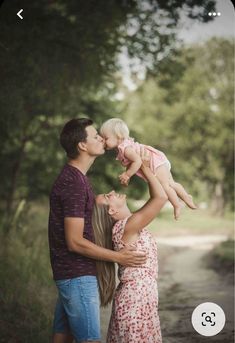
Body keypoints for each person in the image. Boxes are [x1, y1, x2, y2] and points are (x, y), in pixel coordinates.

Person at [48, 118, 147, 343]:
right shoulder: (73, 182)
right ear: (82, 145)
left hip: (70, 274)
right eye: (95, 136)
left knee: (62, 337)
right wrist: (119, 257)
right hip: (77, 275)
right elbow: (74, 241)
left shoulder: (77, 179)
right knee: (89, 339)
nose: (102, 138)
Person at [92, 159, 168, 343]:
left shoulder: (129, 224)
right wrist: (141, 165)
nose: (111, 191)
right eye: (107, 196)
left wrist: (142, 167)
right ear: (111, 211)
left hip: (139, 297)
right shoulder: (126, 227)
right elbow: (161, 197)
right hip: (136, 300)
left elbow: (155, 197)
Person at [100, 118, 197, 220]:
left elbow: (137, 161)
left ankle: (177, 205)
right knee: (171, 183)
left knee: (166, 185)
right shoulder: (123, 149)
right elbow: (131, 163)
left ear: (118, 137)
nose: (104, 141)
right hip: (157, 160)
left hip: (154, 162)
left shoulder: (126, 149)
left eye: (106, 138)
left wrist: (128, 174)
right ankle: (186, 197)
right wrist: (127, 176)